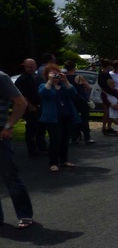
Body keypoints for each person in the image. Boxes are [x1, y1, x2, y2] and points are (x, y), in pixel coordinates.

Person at [0, 70, 34, 228]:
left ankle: (25, 214)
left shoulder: (1, 77)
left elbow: (20, 102)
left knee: (10, 176)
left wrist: (9, 126)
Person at [38, 63, 81, 172]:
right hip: (52, 118)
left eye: (56, 73)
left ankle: (64, 160)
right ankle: (53, 163)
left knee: (65, 139)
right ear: (47, 75)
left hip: (66, 116)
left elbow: (73, 92)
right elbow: (43, 94)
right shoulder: (44, 86)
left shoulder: (62, 87)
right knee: (55, 140)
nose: (55, 75)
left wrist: (65, 80)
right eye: (52, 73)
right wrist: (50, 81)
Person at [13, 58, 48, 156]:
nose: (29, 69)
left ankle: (41, 145)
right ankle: (32, 150)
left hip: (39, 105)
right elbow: (21, 96)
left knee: (41, 127)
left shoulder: (37, 77)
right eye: (27, 67)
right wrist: (30, 106)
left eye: (31, 67)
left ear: (35, 66)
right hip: (29, 107)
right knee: (31, 128)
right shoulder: (22, 79)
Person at [64, 60, 94, 144]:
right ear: (74, 67)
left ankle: (74, 137)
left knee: (73, 118)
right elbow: (88, 87)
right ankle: (87, 137)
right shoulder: (78, 77)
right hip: (80, 99)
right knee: (85, 118)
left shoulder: (64, 78)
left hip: (70, 100)